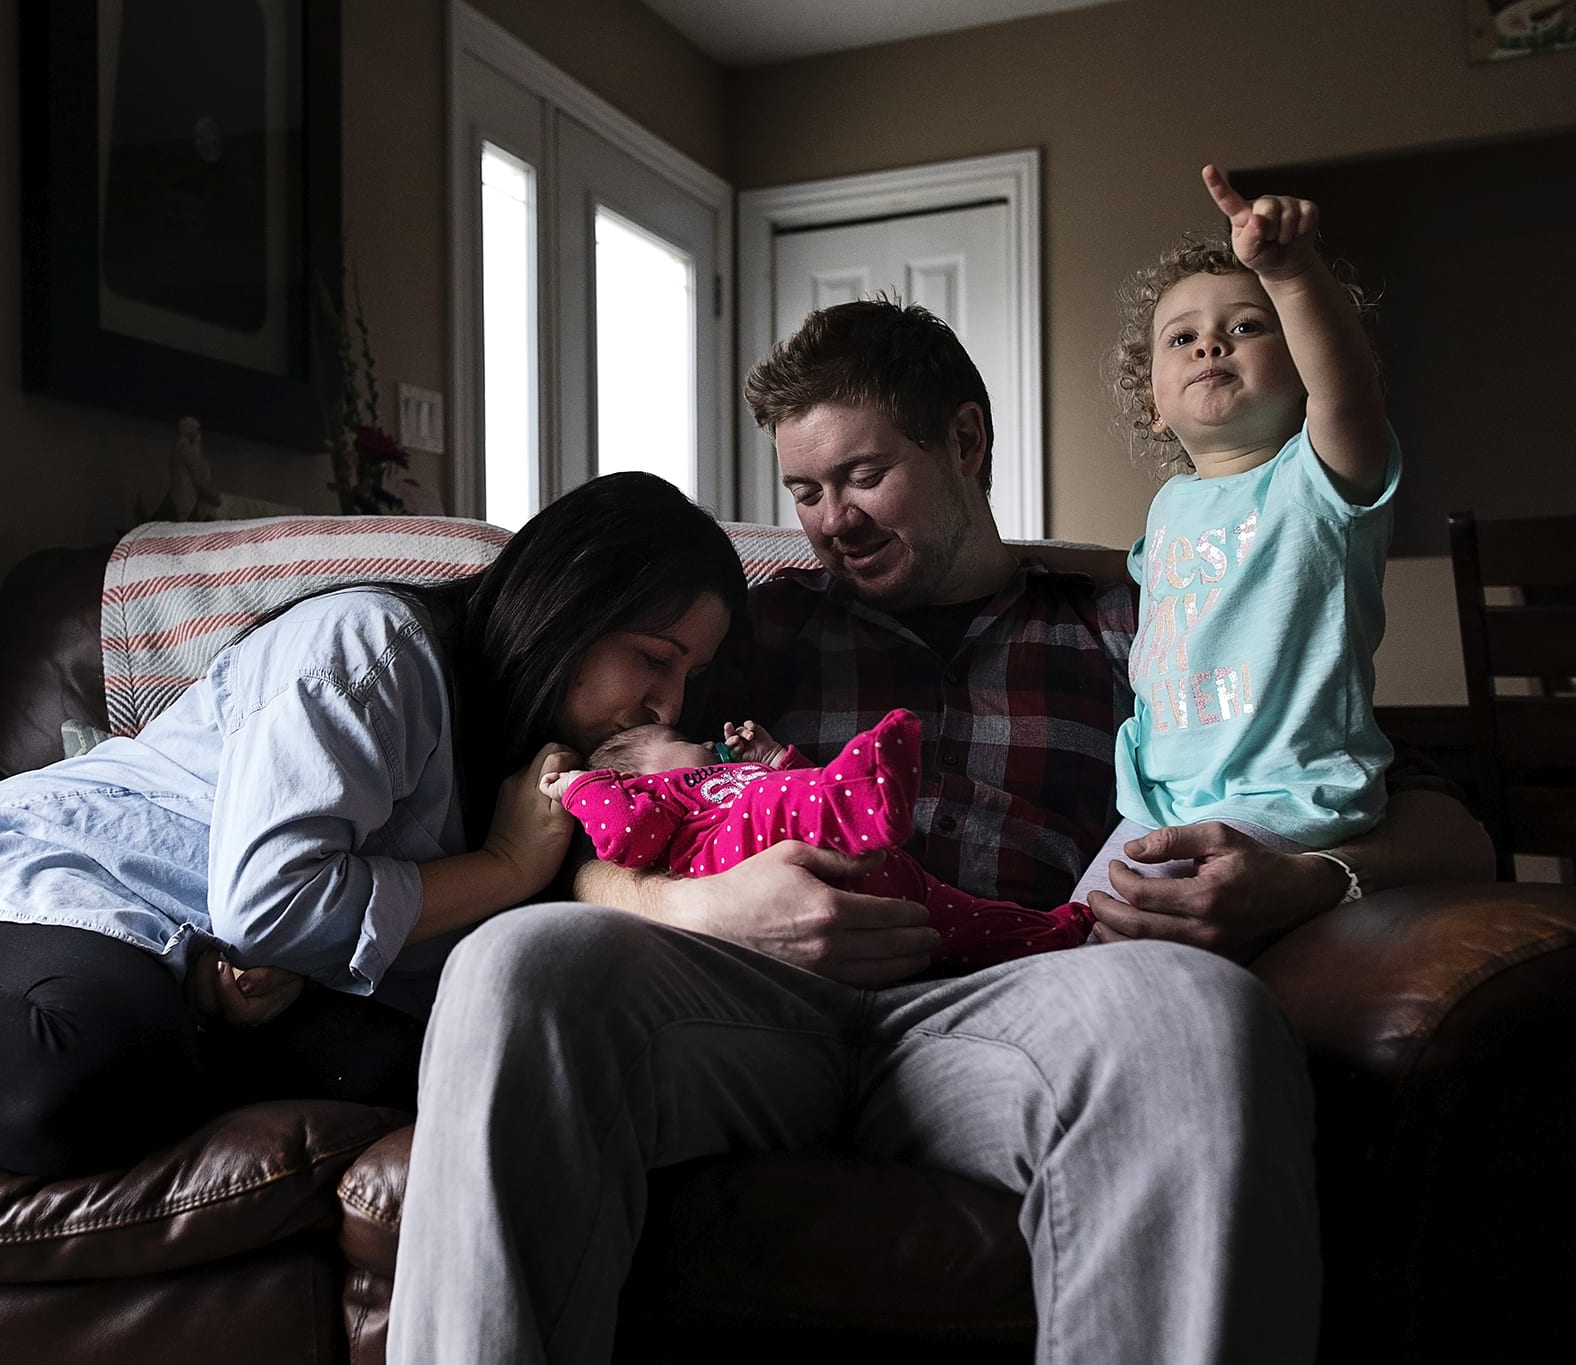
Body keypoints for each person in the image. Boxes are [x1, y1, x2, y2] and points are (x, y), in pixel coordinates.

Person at [388, 278, 1490, 1360]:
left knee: (1191, 1012)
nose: (831, 525)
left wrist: (1312, 881)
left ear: (963, 441)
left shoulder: (1138, 621)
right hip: (757, 1012)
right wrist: (697, 906)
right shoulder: (746, 633)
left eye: (863, 475)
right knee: (518, 962)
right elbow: (584, 831)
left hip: (1016, 1009)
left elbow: (1445, 824)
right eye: (805, 491)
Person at [0, 471, 746, 1198]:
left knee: (386, 1073)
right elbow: (277, 905)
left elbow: (382, 964)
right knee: (76, 1071)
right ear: (563, 606)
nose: (662, 703)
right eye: (650, 659)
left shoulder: (530, 769)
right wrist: (503, 869)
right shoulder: (374, 649)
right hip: (50, 887)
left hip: (188, 967)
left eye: (689, 676)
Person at [1073, 165, 1395, 907]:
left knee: (1140, 954)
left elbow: (1348, 388)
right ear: (1152, 402)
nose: (1210, 346)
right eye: (1181, 337)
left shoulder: (1320, 478)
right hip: (1159, 808)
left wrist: (1289, 273)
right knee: (1079, 936)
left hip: (1285, 799)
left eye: (1246, 327)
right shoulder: (1170, 508)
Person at [544, 710, 1090, 969]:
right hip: (748, 857)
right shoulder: (665, 795)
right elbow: (627, 839)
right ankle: (865, 789)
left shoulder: (726, 775)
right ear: (635, 776)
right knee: (772, 800)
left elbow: (801, 787)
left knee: (968, 916)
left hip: (880, 868)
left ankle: (1055, 933)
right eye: (683, 739)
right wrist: (587, 786)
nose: (706, 740)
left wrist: (774, 759)